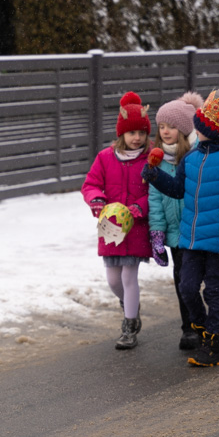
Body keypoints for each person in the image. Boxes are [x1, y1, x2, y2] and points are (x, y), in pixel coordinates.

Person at [142, 91, 219, 367]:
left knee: (213, 292)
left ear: (215, 131)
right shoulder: (191, 158)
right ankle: (200, 328)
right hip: (191, 237)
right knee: (186, 288)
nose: (197, 131)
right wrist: (155, 176)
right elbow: (177, 190)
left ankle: (215, 345)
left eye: (201, 128)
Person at [82, 91, 152, 350]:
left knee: (129, 277)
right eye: (132, 133)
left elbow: (154, 192)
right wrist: (96, 200)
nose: (137, 138)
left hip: (136, 228)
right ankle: (129, 305)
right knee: (113, 280)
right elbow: (90, 184)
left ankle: (129, 325)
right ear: (121, 134)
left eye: (142, 133)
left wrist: (138, 208)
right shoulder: (105, 157)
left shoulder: (150, 159)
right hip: (110, 227)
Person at [148, 91, 204, 351]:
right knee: (183, 281)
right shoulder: (156, 161)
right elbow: (155, 201)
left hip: (197, 230)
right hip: (174, 234)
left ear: (183, 129)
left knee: (198, 280)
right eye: (162, 126)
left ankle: (205, 322)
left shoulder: (196, 157)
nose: (166, 131)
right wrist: (157, 234)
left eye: (171, 126)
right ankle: (189, 327)